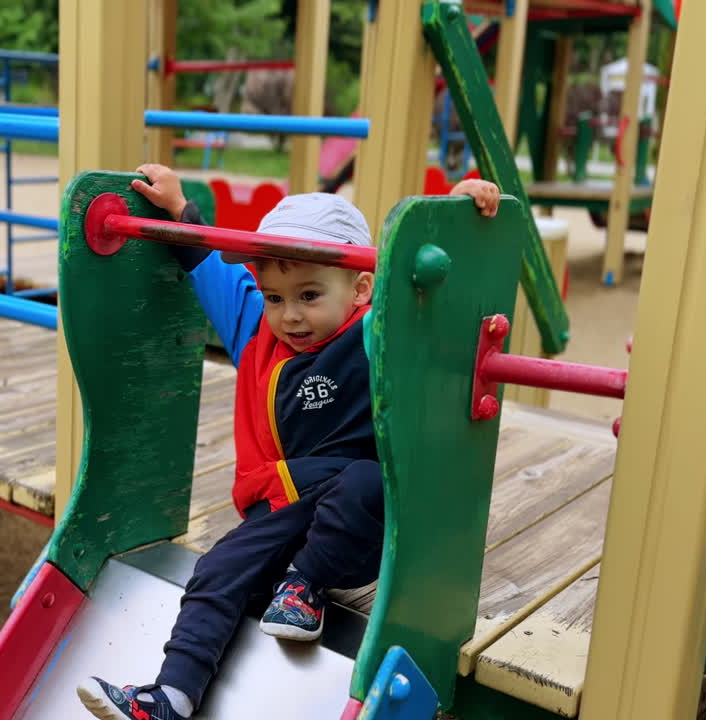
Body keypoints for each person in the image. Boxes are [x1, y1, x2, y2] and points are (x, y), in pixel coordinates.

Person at [76, 165, 501, 720]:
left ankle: (305, 588)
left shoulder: (376, 335)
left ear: (361, 288)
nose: (290, 315)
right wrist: (181, 210)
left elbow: (431, 298)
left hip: (355, 530)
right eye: (275, 297)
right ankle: (172, 698)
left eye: (308, 294)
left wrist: (455, 218)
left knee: (366, 478)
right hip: (280, 510)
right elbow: (210, 269)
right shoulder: (258, 332)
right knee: (216, 569)